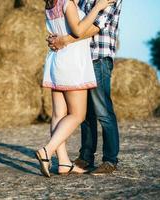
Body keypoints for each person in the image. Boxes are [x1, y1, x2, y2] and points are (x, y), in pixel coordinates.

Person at [35, 0, 115, 177]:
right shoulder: (67, 4)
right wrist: (97, 8)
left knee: (58, 114)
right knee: (78, 115)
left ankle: (63, 162)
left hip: (56, 60)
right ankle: (47, 151)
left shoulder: (50, 5)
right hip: (71, 62)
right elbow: (78, 31)